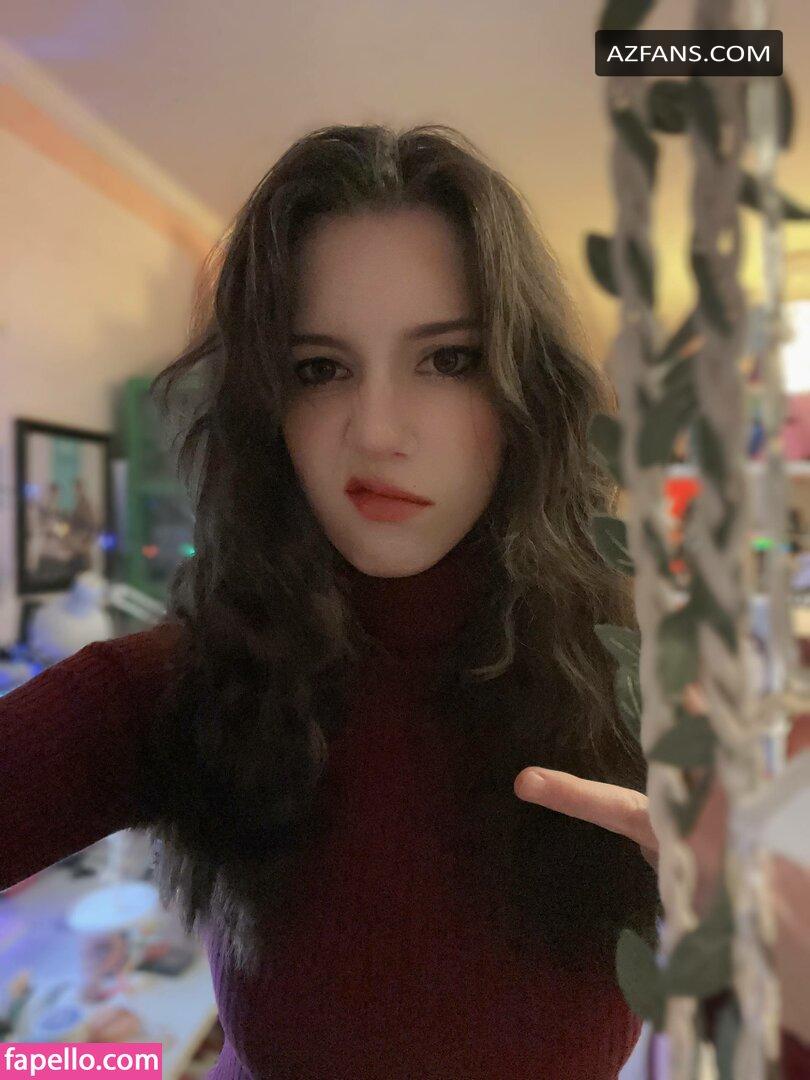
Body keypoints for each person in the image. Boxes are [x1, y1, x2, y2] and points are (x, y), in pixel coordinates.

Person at [1, 123, 807, 1079]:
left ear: (525, 391)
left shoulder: (659, 675)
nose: (377, 432)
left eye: (448, 360)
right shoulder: (180, 682)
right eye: (319, 368)